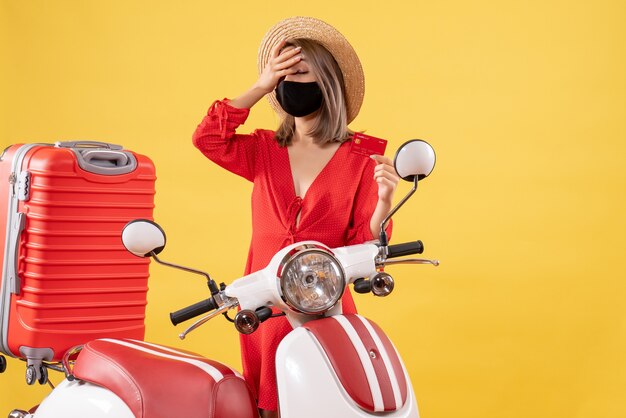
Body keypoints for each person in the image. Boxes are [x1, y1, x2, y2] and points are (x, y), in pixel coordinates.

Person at [192, 16, 399, 418]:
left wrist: (384, 204)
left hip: (325, 304)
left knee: (331, 401)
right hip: (267, 302)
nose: (289, 82)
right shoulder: (262, 149)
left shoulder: (362, 158)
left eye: (299, 72)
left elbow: (367, 247)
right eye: (281, 74)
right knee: (269, 405)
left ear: (327, 83)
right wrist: (259, 85)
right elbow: (208, 139)